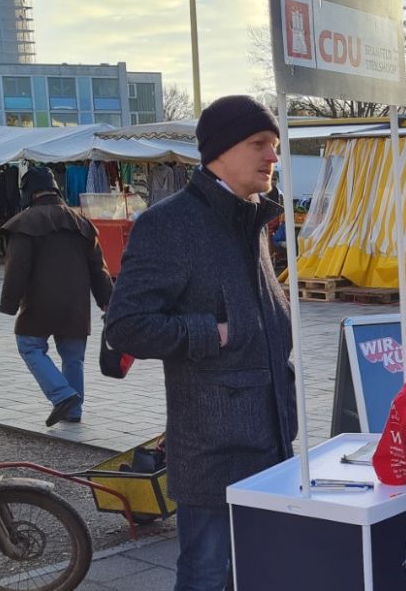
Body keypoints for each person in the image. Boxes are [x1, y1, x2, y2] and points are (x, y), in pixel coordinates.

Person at [104, 95, 295, 591]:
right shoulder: (169, 225)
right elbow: (125, 325)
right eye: (259, 144)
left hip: (269, 443)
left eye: (274, 145)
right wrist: (212, 333)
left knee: (257, 572)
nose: (273, 156)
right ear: (220, 152)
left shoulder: (250, 221)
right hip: (213, 451)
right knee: (207, 576)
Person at [0, 167, 113, 427]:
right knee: (73, 357)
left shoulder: (24, 224)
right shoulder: (81, 223)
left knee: (29, 345)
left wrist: (9, 304)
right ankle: (73, 412)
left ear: (29, 192)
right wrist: (108, 301)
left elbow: (17, 268)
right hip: (76, 305)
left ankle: (63, 396)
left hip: (40, 304)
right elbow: (99, 268)